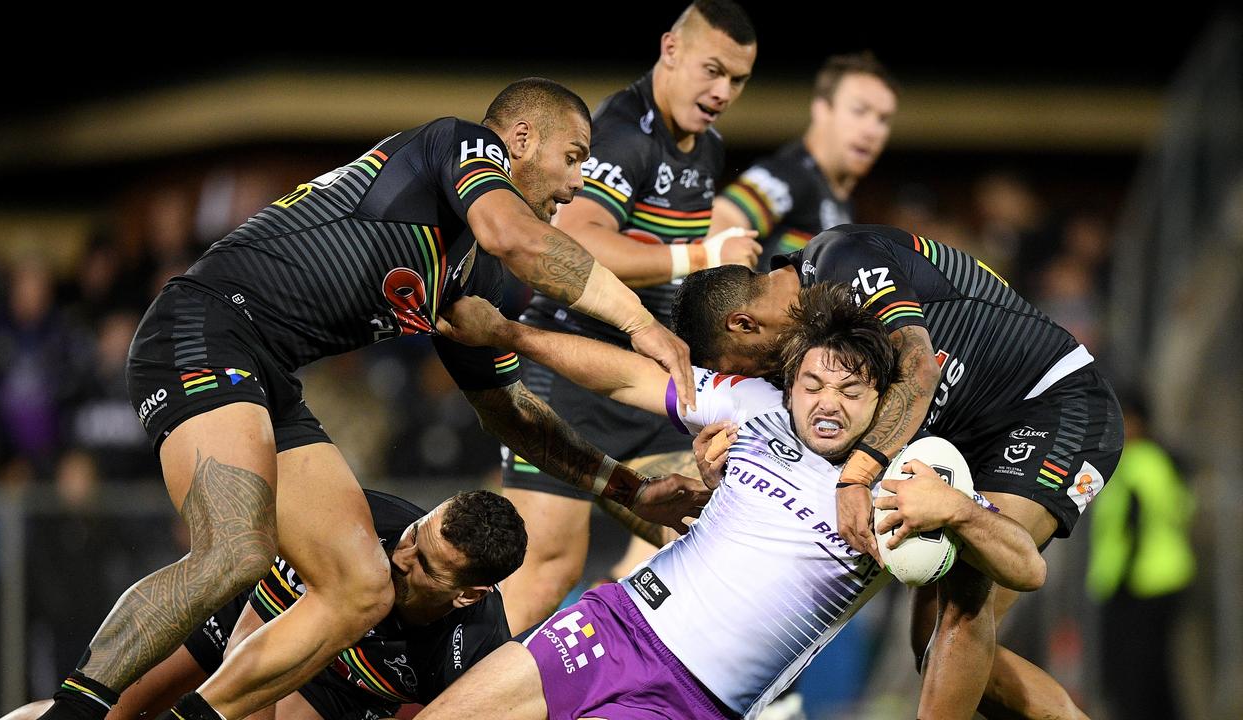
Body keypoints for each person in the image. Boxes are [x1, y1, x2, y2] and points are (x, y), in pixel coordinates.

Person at [37, 78, 710, 720]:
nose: (577, 182)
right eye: (573, 158)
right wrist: (641, 322)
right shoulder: (463, 144)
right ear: (522, 137)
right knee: (237, 552)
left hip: (268, 373)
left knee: (361, 586)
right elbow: (519, 238)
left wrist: (624, 488)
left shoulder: (473, 276)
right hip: (203, 328)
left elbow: (513, 417)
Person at [425, 283, 1044, 720]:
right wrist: (509, 333)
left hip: (692, 702)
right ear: (791, 380)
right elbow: (625, 377)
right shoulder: (754, 407)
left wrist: (960, 510)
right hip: (615, 625)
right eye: (814, 384)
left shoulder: (908, 482)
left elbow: (1028, 567)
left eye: (852, 391)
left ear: (882, 400)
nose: (828, 404)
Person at [673, 223, 1124, 717]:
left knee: (964, 602)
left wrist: (857, 476)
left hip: (1051, 405)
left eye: (746, 366)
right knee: (934, 651)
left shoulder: (843, 259)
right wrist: (724, 469)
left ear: (743, 323)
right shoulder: (813, 342)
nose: (760, 376)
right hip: (967, 441)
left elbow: (921, 367)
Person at [499, 0, 761, 635]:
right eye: (712, 70)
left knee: (720, 539)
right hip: (572, 382)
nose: (723, 91)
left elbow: (666, 269)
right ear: (670, 48)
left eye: (739, 80)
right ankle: (437, 693)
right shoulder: (622, 131)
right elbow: (579, 242)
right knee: (544, 571)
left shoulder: (706, 146)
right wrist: (707, 253)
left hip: (649, 391)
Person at [5, 489, 525, 720]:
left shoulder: (481, 654)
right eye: (415, 535)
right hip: (251, 622)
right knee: (109, 715)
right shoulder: (354, 522)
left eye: (426, 566)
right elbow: (248, 647)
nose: (401, 559)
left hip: (340, 691)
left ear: (469, 594)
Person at [710, 52, 898, 266]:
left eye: (883, 119)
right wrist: (745, 295)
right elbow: (720, 220)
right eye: (859, 111)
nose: (872, 130)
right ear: (822, 109)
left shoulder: (841, 203)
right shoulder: (790, 174)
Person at [1086, 395, 1195, 720]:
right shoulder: (1158, 461)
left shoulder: (1137, 463)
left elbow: (1134, 524)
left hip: (1140, 585)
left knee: (1131, 679)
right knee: (1156, 675)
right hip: (1161, 579)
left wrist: (1121, 582)